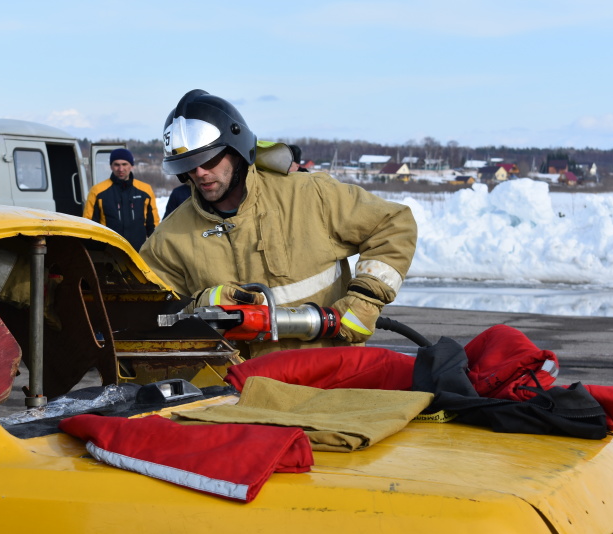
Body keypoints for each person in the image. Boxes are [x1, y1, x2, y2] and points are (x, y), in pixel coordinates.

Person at [140, 89, 416, 357]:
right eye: (187, 165)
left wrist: (365, 299)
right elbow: (148, 315)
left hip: (330, 379)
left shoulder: (309, 195)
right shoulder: (170, 238)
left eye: (208, 159)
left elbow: (393, 224)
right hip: (241, 393)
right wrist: (201, 307)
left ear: (236, 149)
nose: (199, 173)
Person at [83, 148, 159, 251]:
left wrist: (156, 247)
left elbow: (153, 223)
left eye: (124, 164)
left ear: (131, 166)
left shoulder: (145, 190)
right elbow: (89, 224)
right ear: (111, 166)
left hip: (139, 251)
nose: (121, 169)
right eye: (116, 164)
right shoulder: (97, 191)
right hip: (109, 253)